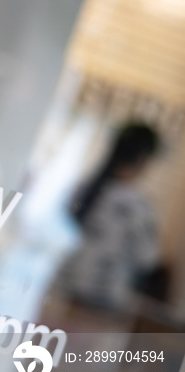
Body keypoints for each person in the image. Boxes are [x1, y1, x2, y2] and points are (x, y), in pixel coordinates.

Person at [56, 122, 161, 312]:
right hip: (102, 301)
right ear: (143, 161)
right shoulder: (139, 207)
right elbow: (146, 260)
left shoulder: (85, 189)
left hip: (65, 288)